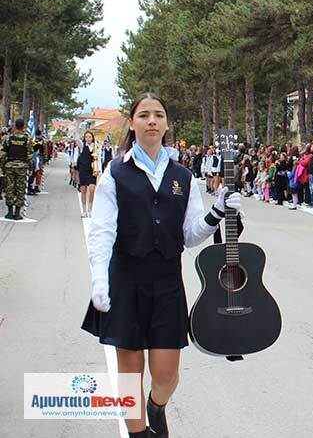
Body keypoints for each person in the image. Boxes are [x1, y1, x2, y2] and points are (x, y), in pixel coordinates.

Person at [81, 93, 241, 438]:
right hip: (125, 278)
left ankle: (156, 406)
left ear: (167, 124)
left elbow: (191, 233)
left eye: (158, 115)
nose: (151, 120)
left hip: (168, 281)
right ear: (133, 123)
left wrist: (218, 211)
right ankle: (139, 434)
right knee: (130, 370)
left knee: (167, 375)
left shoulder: (183, 176)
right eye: (144, 115)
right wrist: (99, 277)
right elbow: (102, 230)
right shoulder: (115, 172)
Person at [0, 118, 33, 220]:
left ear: (14, 126)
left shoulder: (8, 138)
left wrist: (2, 166)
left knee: (9, 189)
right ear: (23, 126)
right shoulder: (27, 139)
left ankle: (9, 212)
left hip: (9, 166)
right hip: (22, 167)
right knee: (20, 189)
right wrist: (30, 168)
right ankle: (17, 213)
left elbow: (3, 153)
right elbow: (30, 155)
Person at [77, 130, 100, 218]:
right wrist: (77, 126)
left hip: (92, 171)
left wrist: (98, 169)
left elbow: (99, 159)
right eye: (86, 137)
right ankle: (84, 210)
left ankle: (90, 209)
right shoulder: (82, 146)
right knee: (83, 190)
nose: (88, 138)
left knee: (92, 189)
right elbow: (76, 138)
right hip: (83, 170)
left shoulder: (96, 147)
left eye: (89, 137)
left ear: (92, 138)